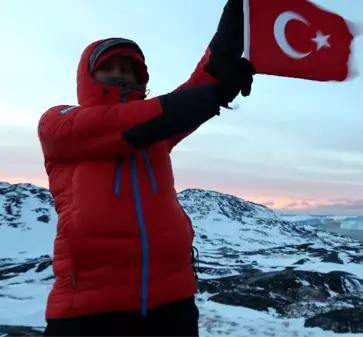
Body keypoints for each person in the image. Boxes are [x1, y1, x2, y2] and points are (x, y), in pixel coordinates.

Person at [37, 1, 252, 336]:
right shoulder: (60, 125)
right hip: (89, 308)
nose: (122, 74)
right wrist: (212, 96)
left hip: (173, 302)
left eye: (130, 69)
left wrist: (239, 17)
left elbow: (197, 86)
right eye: (111, 67)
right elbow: (137, 120)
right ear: (87, 75)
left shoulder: (157, 129)